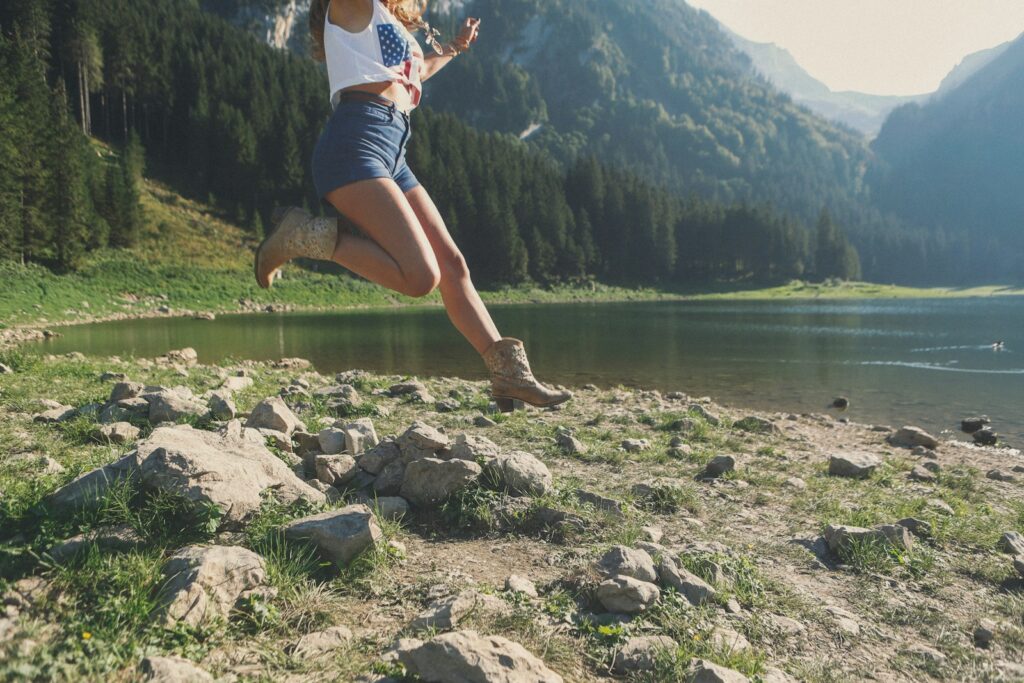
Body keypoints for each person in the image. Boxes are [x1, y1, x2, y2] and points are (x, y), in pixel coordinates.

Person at [254, 0, 571, 412]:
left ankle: (509, 376)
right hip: (354, 144)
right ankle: (302, 235)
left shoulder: (387, 24)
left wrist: (454, 48)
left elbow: (415, 74)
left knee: (453, 266)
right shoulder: (354, 9)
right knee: (421, 276)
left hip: (392, 150)